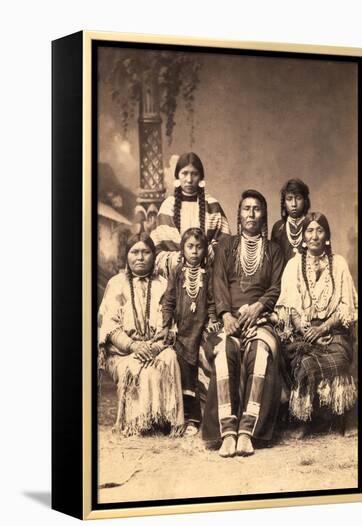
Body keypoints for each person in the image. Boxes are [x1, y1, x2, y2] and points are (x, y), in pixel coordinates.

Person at [202, 190, 285, 457]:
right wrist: (226, 315)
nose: (251, 213)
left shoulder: (274, 249)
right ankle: (227, 432)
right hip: (230, 320)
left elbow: (276, 286)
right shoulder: (227, 245)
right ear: (239, 214)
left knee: (260, 351)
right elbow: (218, 283)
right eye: (246, 208)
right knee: (225, 352)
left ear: (264, 215)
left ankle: (248, 431)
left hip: (261, 319)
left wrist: (259, 306)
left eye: (257, 209)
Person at [275, 212, 357, 435]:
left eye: (319, 230)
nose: (314, 236)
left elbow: (346, 305)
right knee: (304, 364)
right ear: (303, 236)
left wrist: (323, 328)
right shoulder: (293, 265)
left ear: (327, 235)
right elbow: (290, 307)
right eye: (309, 231)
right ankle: (305, 419)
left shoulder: (338, 263)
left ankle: (344, 416)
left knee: (339, 360)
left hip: (333, 330)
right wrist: (307, 330)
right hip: (304, 332)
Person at [97, 233, 184, 436]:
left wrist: (155, 347)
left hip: (157, 347)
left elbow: (171, 324)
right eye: (134, 252)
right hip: (124, 352)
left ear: (154, 256)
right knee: (137, 366)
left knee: (170, 358)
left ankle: (166, 419)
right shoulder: (116, 284)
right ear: (126, 256)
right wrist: (134, 346)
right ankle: (140, 422)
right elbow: (110, 327)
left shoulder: (164, 284)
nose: (140, 257)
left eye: (146, 252)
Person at [158, 228, 220, 437]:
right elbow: (169, 301)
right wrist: (166, 325)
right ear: (182, 249)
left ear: (205, 250)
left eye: (199, 247)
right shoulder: (176, 272)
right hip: (182, 331)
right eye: (190, 247)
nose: (194, 252)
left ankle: (196, 418)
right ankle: (180, 417)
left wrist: (212, 320)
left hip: (200, 329)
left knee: (198, 373)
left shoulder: (209, 273)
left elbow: (212, 301)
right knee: (183, 373)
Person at [150, 152, 231, 276]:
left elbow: (225, 244)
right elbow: (157, 247)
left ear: (201, 177)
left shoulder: (212, 205)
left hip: (208, 273)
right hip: (174, 275)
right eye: (184, 173)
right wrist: (180, 259)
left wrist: (207, 253)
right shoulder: (168, 206)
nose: (189, 179)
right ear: (177, 176)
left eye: (194, 174)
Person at [271, 178, 311, 264]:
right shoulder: (278, 228)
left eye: (298, 198)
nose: (294, 204)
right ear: (284, 203)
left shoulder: (312, 225)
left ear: (305, 201)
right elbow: (274, 261)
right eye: (289, 199)